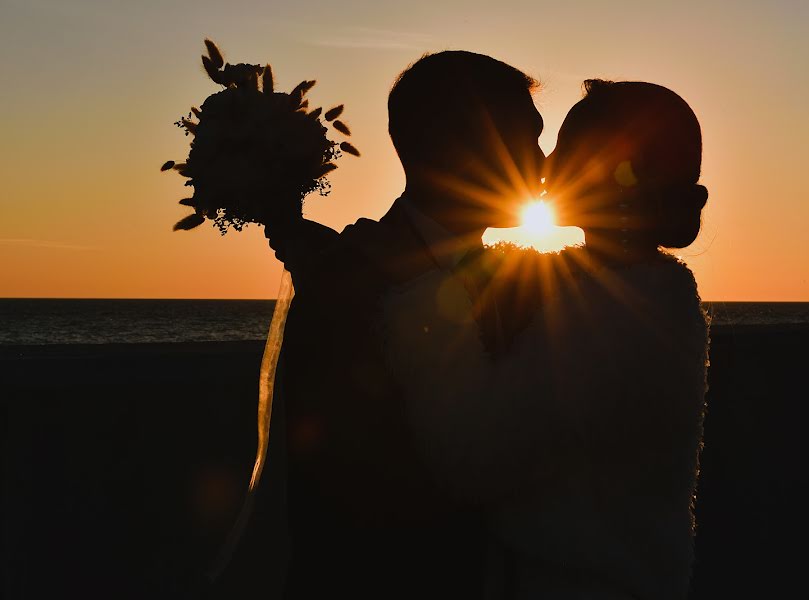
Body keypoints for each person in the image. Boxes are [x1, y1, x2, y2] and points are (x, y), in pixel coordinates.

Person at [382, 80, 710, 599]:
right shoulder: (631, 289)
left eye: (565, 149)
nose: (545, 166)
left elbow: (471, 458)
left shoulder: (619, 317)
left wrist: (419, 311)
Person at [271, 51, 544, 598]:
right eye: (526, 138)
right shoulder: (353, 283)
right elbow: (334, 489)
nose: (543, 162)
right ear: (458, 144)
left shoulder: (516, 279)